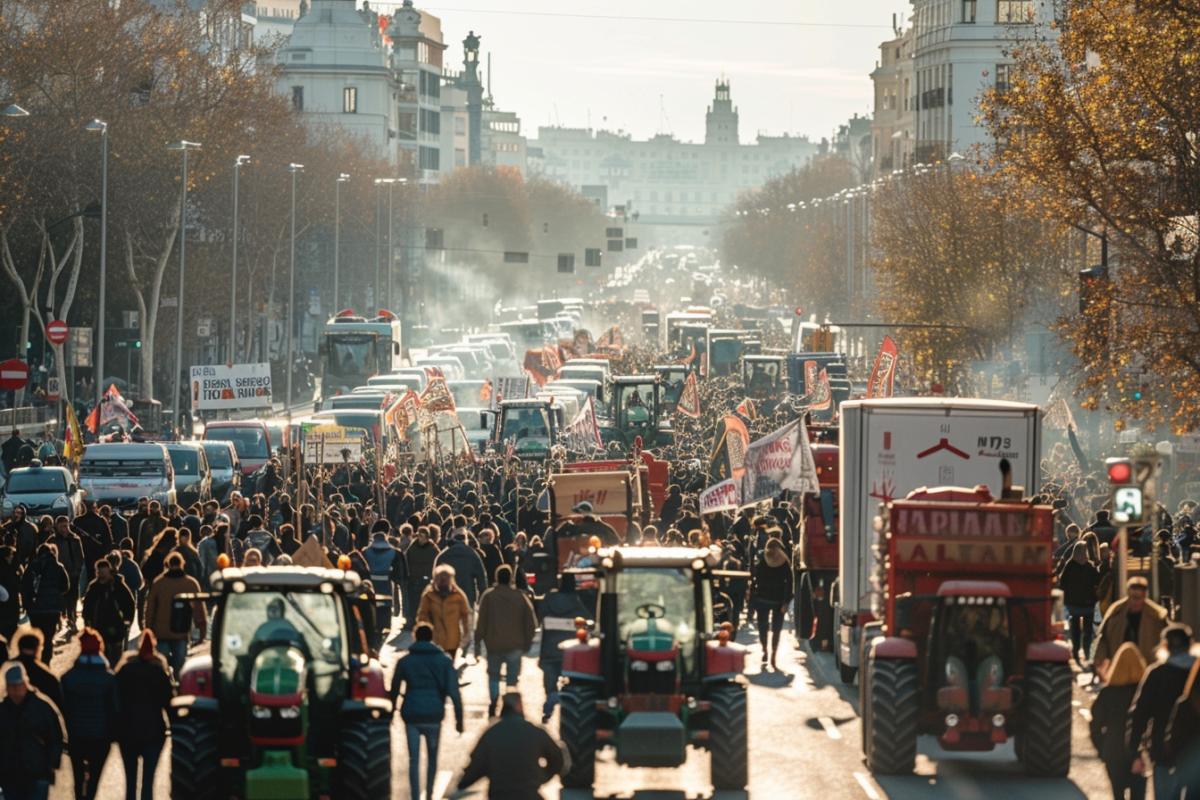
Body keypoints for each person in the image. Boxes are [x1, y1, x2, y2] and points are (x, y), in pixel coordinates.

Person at [389, 621, 464, 800]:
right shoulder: (444, 661)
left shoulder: (405, 661)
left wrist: (391, 711)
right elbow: (454, 693)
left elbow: (394, 689)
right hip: (434, 715)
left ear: (415, 637)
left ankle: (415, 796)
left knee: (413, 760)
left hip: (412, 714)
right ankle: (430, 795)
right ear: (432, 638)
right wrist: (459, 721)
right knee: (432, 759)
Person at [1128, 624, 1197, 800]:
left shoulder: (1156, 674)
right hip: (1194, 751)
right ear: (1190, 644)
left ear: (1165, 646)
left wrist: (1134, 751)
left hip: (1163, 750)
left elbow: (1140, 714)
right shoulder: (1196, 674)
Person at [456, 692, 565, 799]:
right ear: (520, 707)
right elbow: (558, 759)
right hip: (529, 794)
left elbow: (476, 766)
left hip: (499, 795)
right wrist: (542, 777)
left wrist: (462, 783)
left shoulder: (492, 734)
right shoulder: (535, 731)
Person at [59, 630, 120, 800]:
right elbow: (115, 709)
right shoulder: (109, 679)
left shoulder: (68, 678)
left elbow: (63, 709)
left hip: (76, 735)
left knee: (77, 779)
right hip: (101, 736)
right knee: (94, 779)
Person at [114, 631, 174, 800]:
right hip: (153, 732)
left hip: (127, 732)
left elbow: (114, 699)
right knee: (148, 783)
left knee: (130, 781)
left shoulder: (125, 670)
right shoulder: (158, 671)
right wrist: (175, 727)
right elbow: (169, 703)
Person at [475, 564, 537, 717]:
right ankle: (509, 705)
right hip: (515, 644)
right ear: (511, 578)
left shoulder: (489, 596)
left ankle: (494, 701)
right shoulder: (520, 596)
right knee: (512, 679)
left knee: (494, 676)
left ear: (496, 577)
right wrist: (527, 642)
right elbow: (531, 623)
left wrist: (477, 641)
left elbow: (481, 621)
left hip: (494, 644)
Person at [0, 660, 66, 800]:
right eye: (12, 687)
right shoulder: (3, 709)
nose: (16, 690)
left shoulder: (42, 707)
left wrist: (52, 764)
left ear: (25, 684)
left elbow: (56, 737)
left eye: (18, 685)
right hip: (10, 774)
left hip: (38, 773)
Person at [1090, 642, 1147, 800]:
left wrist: (1102, 748)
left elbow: (1095, 726)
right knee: (1138, 795)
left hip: (1113, 750)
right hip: (1139, 751)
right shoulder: (1144, 692)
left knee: (1118, 794)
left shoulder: (1107, 693)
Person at [537, 571, 589, 723]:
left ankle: (551, 701)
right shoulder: (578, 601)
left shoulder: (549, 599)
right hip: (569, 650)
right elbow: (587, 621)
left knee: (549, 679)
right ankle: (566, 706)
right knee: (570, 682)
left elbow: (540, 618)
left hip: (549, 649)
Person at [144, 551, 206, 677]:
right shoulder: (191, 583)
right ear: (182, 564)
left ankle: (164, 690)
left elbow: (150, 608)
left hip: (160, 632)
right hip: (181, 632)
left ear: (167, 564)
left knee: (162, 668)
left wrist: (148, 629)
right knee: (180, 668)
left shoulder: (159, 583)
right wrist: (202, 630)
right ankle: (178, 690)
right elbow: (198, 609)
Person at [1094, 577, 1169, 677]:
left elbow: (1166, 643)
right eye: (1133, 597)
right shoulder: (1115, 612)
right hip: (1119, 667)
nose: (1135, 602)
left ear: (1145, 595)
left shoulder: (1157, 616)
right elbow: (1103, 639)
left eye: (1139, 598)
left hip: (1147, 669)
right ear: (1128, 594)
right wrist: (1099, 661)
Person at [21, 543, 70, 663]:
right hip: (52, 609)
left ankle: (36, 659)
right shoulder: (58, 567)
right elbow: (66, 586)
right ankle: (46, 662)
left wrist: (27, 605)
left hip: (35, 609)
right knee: (48, 638)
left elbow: (24, 587)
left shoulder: (32, 567)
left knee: (37, 637)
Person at [750, 536, 793, 671]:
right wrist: (786, 601)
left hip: (762, 598)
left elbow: (754, 576)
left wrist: (752, 595)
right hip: (778, 600)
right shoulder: (784, 561)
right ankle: (773, 653)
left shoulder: (762, 558)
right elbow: (789, 582)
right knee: (776, 629)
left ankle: (764, 649)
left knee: (763, 627)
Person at [81, 559, 136, 663]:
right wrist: (87, 623)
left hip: (116, 627)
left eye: (104, 572)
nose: (102, 574)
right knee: (101, 657)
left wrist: (127, 621)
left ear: (109, 571)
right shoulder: (94, 587)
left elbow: (129, 604)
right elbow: (87, 607)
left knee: (116, 658)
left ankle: (115, 676)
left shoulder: (118, 586)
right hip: (98, 628)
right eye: (100, 572)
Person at [1059, 540, 1101, 666]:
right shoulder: (1090, 567)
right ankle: (1086, 653)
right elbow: (1097, 582)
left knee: (1076, 630)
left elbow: (1062, 583)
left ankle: (1077, 652)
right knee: (1087, 631)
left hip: (1073, 604)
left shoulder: (1069, 565)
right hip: (1087, 604)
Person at [416, 564, 471, 658]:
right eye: (440, 578)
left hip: (453, 640)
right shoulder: (428, 595)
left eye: (446, 578)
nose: (443, 581)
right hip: (434, 641)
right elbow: (422, 615)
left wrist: (466, 634)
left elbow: (466, 615)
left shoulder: (458, 595)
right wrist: (427, 633)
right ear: (435, 579)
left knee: (449, 666)